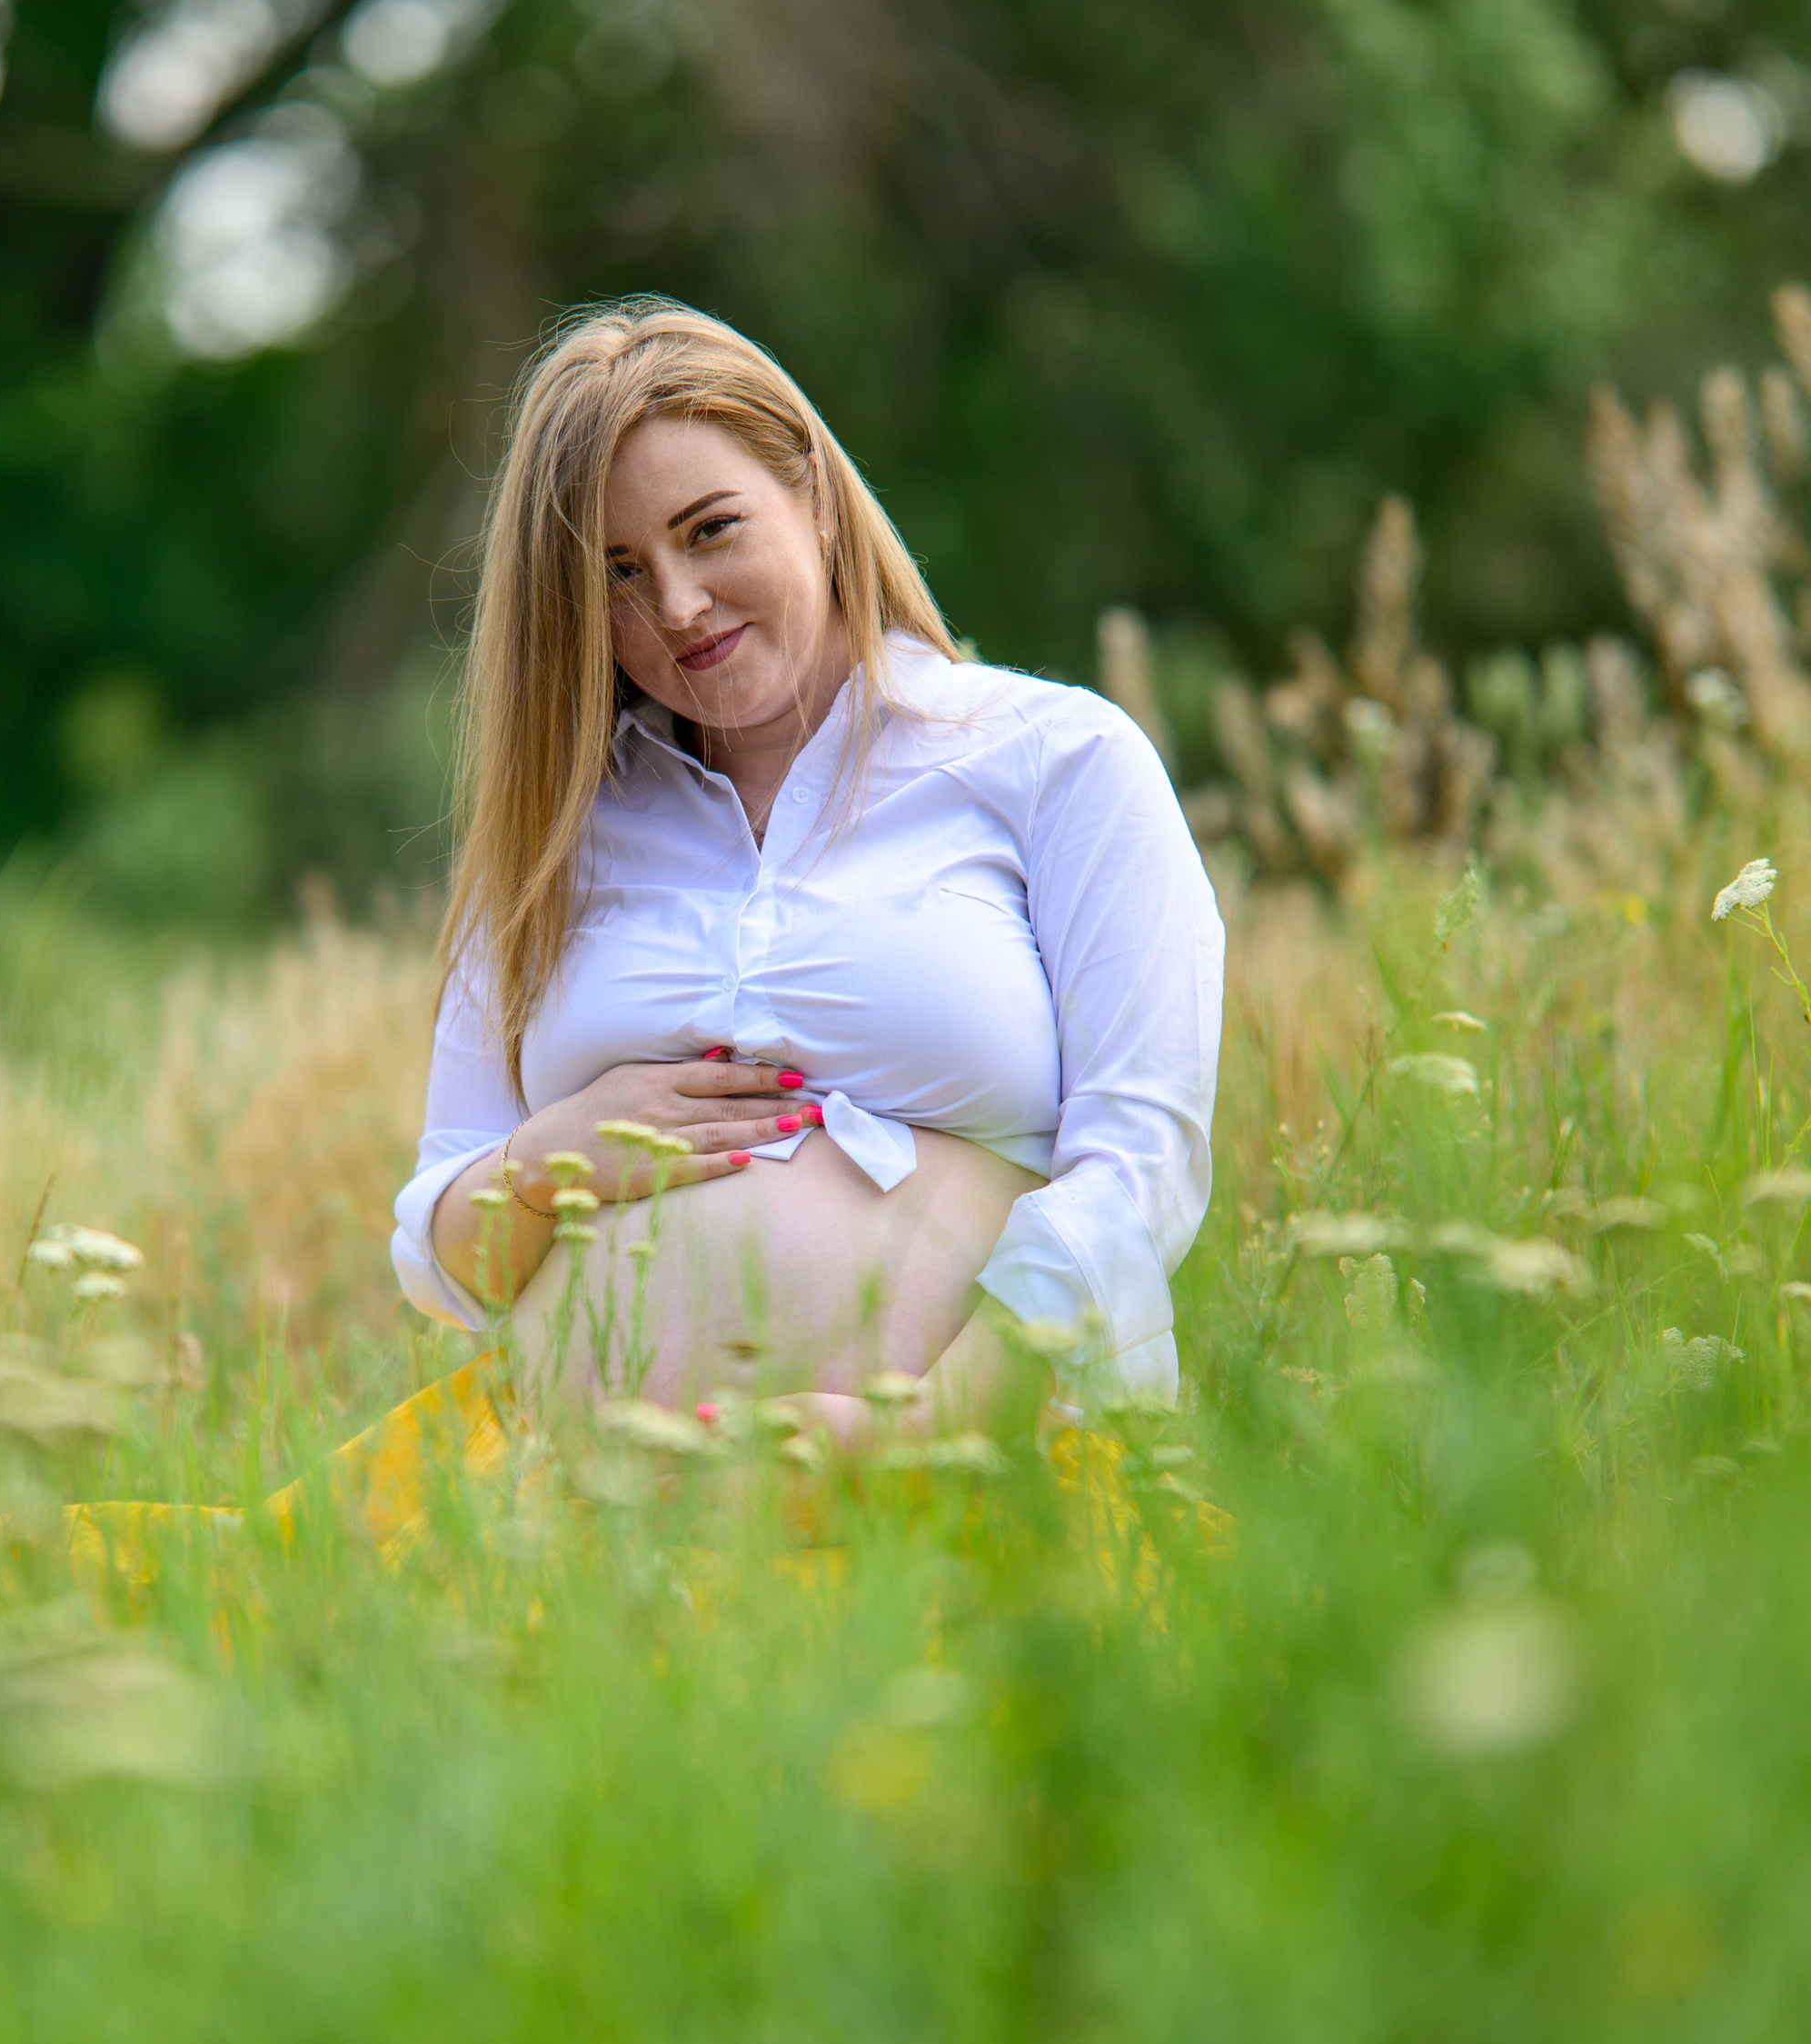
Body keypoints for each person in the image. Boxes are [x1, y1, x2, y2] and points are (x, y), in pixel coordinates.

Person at [391, 301, 1224, 1433]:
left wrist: (910, 1432)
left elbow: (1139, 1174)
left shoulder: (1055, 761)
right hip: (576, 1523)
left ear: (818, 502)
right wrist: (543, 1165)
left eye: (710, 530)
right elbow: (451, 1265)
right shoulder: (552, 843)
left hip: (972, 1479)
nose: (675, 608)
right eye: (619, 573)